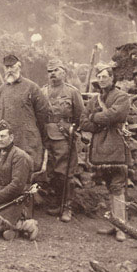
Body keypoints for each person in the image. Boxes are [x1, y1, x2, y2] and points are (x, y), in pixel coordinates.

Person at [80, 62, 131, 242]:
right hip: (101, 148)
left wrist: (95, 117)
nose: (101, 80)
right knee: (110, 185)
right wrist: (97, 120)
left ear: (112, 78)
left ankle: (122, 228)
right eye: (99, 77)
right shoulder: (94, 100)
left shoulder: (122, 97)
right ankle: (114, 224)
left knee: (117, 186)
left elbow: (115, 115)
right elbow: (83, 122)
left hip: (116, 145)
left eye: (105, 76)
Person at [0, 121, 39, 240]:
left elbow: (16, 186)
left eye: (3, 136)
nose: (0, 139)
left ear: (11, 137)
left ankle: (27, 225)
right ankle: (11, 230)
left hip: (16, 202)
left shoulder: (20, 156)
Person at [41, 58, 86, 222]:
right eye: (49, 71)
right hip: (47, 136)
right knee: (51, 172)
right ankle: (57, 204)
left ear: (64, 72)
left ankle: (67, 207)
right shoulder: (43, 91)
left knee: (65, 173)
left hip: (64, 137)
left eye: (56, 70)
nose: (52, 74)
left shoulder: (72, 92)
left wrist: (72, 130)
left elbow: (81, 115)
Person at [0, 53, 49, 170]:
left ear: (19, 67)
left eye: (12, 67)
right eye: (6, 67)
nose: (9, 70)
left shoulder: (31, 87)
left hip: (27, 138)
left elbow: (42, 112)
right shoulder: (1, 90)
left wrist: (32, 129)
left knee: (28, 168)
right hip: (7, 139)